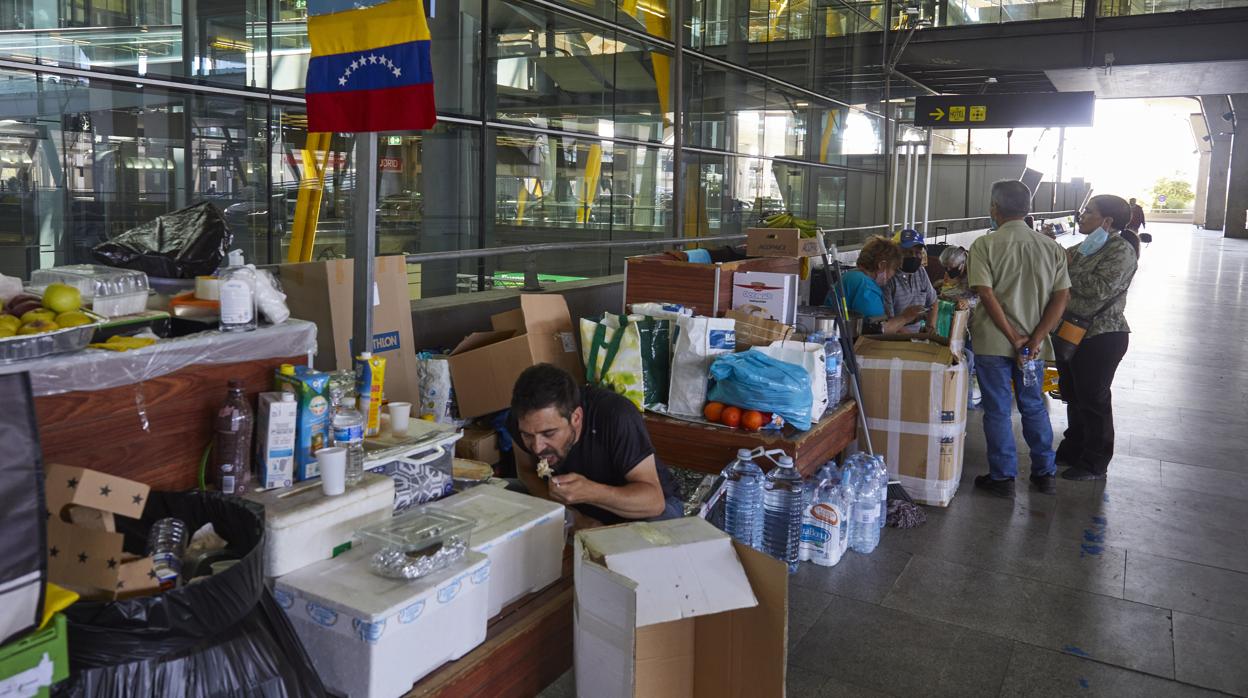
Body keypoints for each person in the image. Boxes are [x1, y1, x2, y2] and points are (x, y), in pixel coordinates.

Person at [968, 180, 1071, 497]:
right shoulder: (1051, 247)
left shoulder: (984, 246)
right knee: (1033, 406)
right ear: (1028, 209)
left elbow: (985, 295)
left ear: (994, 208)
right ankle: (1045, 473)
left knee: (998, 410)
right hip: (1034, 350)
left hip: (993, 345)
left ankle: (1003, 478)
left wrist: (1012, 337)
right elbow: (1061, 297)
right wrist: (1034, 338)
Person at [507, 363, 682, 528]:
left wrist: (591, 492)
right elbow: (526, 471)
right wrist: (572, 516)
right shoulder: (520, 420)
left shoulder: (616, 416)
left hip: (643, 506)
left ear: (576, 418)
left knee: (658, 528)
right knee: (502, 492)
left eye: (549, 434)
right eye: (528, 435)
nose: (537, 448)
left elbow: (654, 502)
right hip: (576, 506)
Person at [1056, 195, 1139, 481]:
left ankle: (1095, 460)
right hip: (1072, 331)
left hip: (1102, 335)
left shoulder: (1121, 251)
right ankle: (1074, 445)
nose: (1081, 216)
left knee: (1093, 398)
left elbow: (1100, 289)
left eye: (1088, 212)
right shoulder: (1083, 248)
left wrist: (1066, 266)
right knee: (1073, 394)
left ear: (1107, 221)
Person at [826, 235, 924, 334]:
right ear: (882, 265)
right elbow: (878, 330)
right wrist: (905, 317)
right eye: (894, 268)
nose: (893, 274)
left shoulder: (853, 276)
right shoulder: (864, 286)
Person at [882, 229, 939, 332]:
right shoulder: (888, 278)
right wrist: (914, 340)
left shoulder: (920, 272)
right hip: (895, 339)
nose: (913, 256)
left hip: (915, 336)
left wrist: (930, 327)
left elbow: (933, 301)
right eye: (907, 252)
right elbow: (889, 322)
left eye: (918, 252)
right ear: (895, 253)